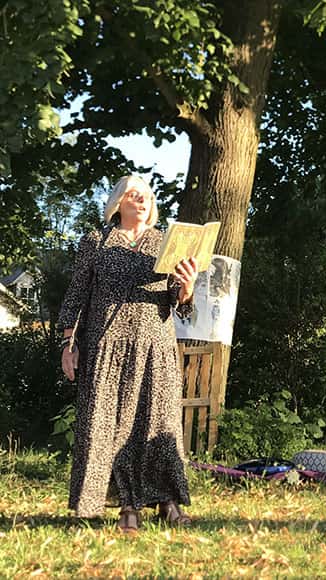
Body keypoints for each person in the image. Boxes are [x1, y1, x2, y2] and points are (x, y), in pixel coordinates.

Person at [59, 175, 199, 532]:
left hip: (155, 346)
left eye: (147, 196)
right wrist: (68, 345)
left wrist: (187, 287)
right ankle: (119, 506)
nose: (141, 200)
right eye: (133, 195)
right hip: (106, 347)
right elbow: (76, 294)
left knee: (159, 424)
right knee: (105, 427)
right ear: (118, 202)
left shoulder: (165, 243)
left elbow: (178, 302)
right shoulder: (96, 241)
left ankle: (166, 502)